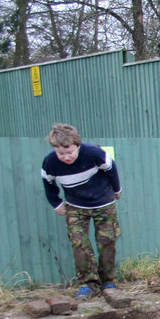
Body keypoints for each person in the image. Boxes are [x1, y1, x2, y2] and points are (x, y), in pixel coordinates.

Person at [41, 123, 122, 300]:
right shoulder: (50, 163)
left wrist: (117, 189)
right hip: (75, 205)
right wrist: (57, 204)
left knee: (107, 241)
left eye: (69, 151)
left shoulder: (93, 153)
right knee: (79, 243)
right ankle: (88, 284)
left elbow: (110, 167)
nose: (66, 157)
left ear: (77, 145)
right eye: (60, 153)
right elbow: (48, 184)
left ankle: (108, 281)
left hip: (103, 202)